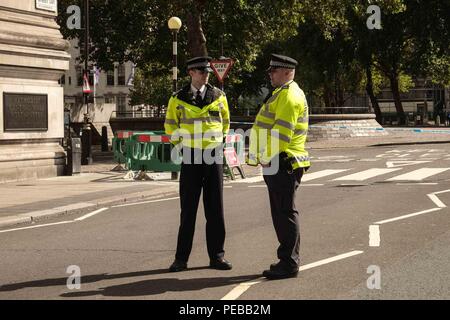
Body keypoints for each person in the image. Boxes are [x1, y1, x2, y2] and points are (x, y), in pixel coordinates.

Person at [164, 56, 232, 272]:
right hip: (190, 157)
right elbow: (170, 126)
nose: (205, 76)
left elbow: (225, 124)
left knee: (215, 209)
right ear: (191, 73)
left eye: (207, 73)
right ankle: (181, 259)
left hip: (213, 157)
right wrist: (182, 147)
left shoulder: (219, 96)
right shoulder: (177, 98)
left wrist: (217, 144)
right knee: (188, 210)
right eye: (201, 72)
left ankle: (217, 257)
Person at [248, 54, 311, 280]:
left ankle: (289, 262)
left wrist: (265, 157)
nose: (270, 74)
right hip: (279, 161)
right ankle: (287, 260)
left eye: (273, 71)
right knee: (283, 213)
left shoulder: (288, 96)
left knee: (284, 213)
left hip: (282, 161)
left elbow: (281, 134)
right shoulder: (282, 94)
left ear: (286, 72)